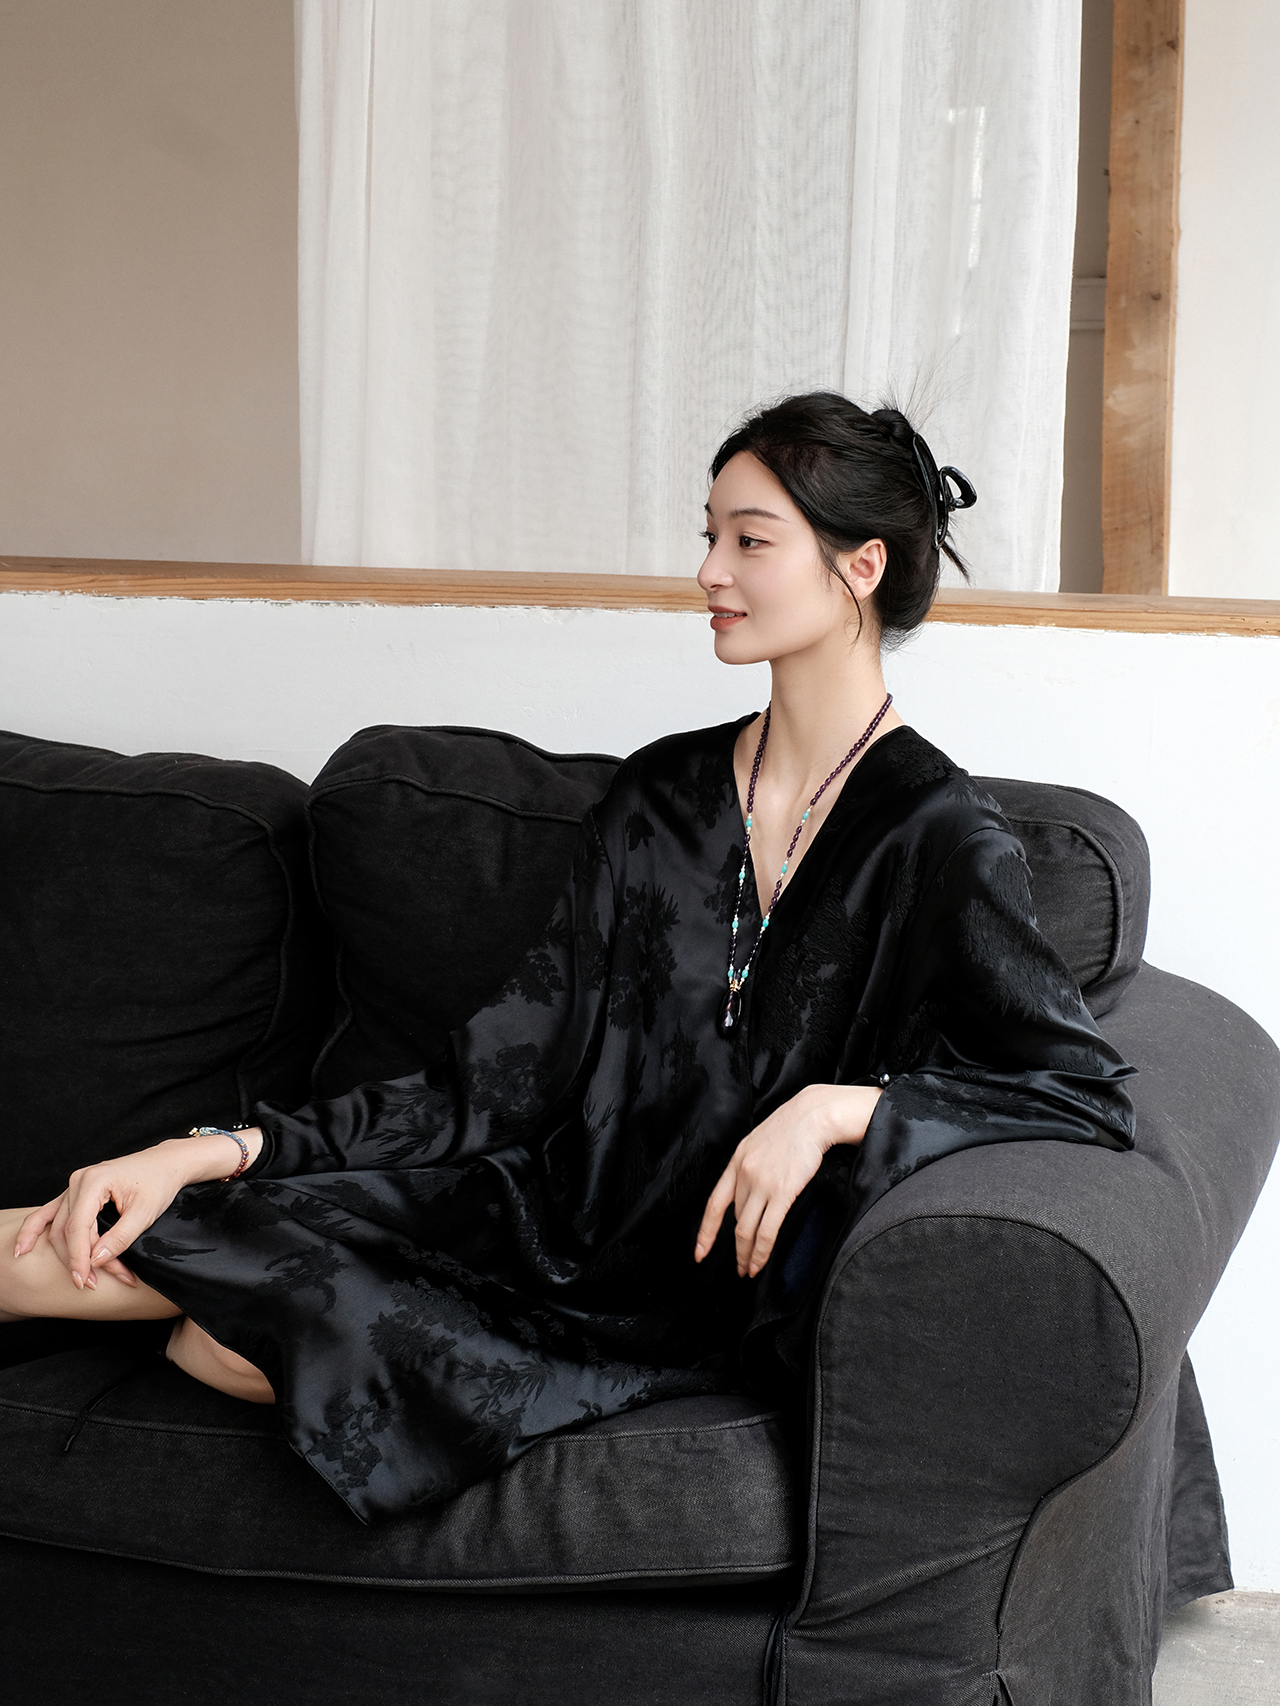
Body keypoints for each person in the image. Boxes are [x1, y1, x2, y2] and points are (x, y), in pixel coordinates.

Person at [0, 392, 1136, 1523]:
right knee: (139, 1237)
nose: (708, 571)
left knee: (222, 1334)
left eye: (749, 541)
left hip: (658, 1302)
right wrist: (212, 1148)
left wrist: (838, 1110)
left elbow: (1075, 1088)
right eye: (708, 535)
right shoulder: (661, 795)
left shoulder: (940, 836)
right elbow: (489, 1081)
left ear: (860, 567)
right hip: (519, 1219)